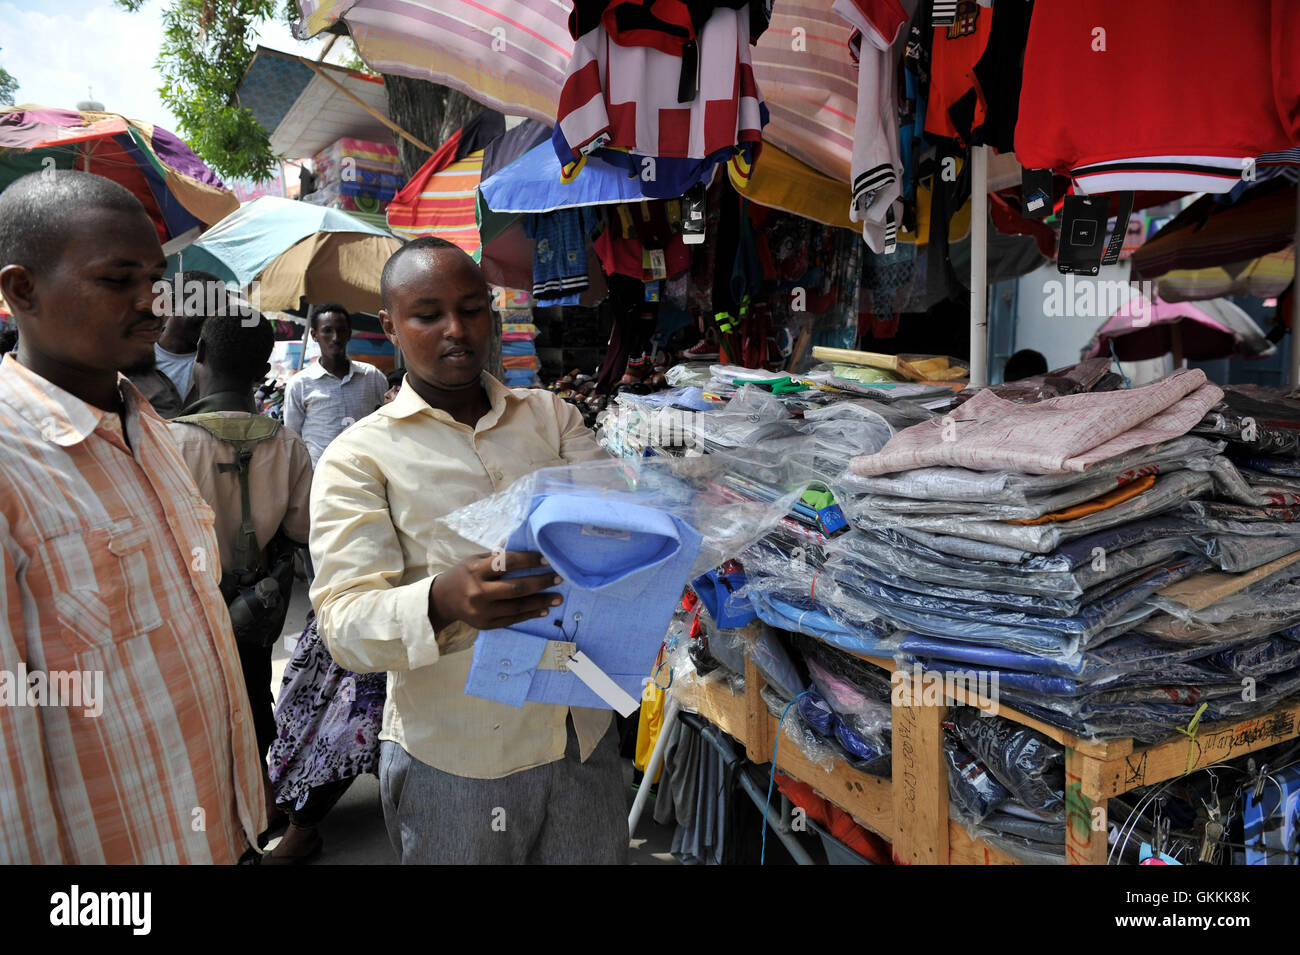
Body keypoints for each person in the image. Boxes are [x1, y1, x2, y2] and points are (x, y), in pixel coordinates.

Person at [310, 236, 627, 864]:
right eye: (428, 315)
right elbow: (344, 625)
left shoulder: (551, 417)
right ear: (391, 327)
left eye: (473, 308)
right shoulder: (359, 456)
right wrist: (441, 599)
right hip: (456, 756)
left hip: (580, 736)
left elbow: (616, 525)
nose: (457, 330)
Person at [0, 170, 264, 863]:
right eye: (118, 280)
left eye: (157, 276)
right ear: (21, 290)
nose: (153, 302)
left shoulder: (149, 427)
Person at [165, 309, 313, 832]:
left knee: (198, 708)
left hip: (191, 609)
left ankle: (212, 811)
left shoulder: (168, 442)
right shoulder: (289, 445)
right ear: (263, 367)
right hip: (257, 607)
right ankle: (264, 802)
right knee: (253, 695)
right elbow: (299, 532)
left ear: (201, 355)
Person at [283, 302, 389, 468]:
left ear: (349, 334)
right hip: (319, 477)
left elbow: (389, 421)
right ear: (314, 334)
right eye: (327, 331)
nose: (335, 337)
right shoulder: (300, 384)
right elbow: (292, 438)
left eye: (341, 330)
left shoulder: (372, 376)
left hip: (367, 473)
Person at [125, 269, 216, 418]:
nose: (210, 320)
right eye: (203, 309)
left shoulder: (219, 366)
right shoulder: (129, 358)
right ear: (173, 304)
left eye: (217, 312)